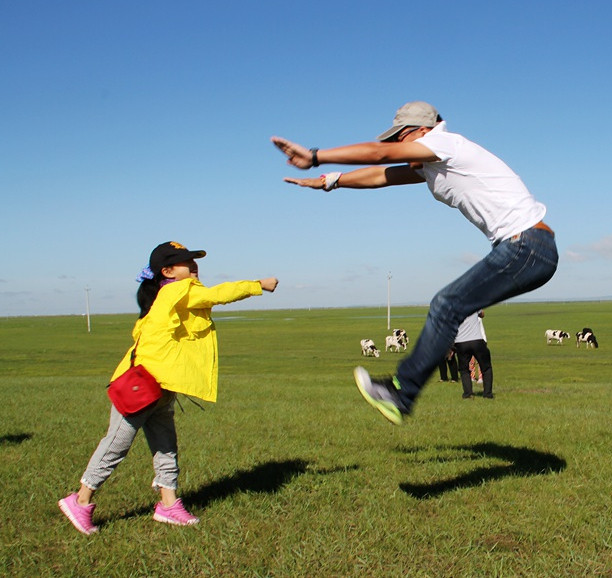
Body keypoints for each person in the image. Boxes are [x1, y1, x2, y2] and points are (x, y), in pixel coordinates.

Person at [272, 101, 557, 425]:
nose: (395, 145)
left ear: (422, 129)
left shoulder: (444, 143)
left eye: (400, 138)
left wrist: (314, 157)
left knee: (447, 305)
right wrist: (331, 180)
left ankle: (401, 393)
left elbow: (378, 155)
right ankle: (400, 392)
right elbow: (384, 174)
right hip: (526, 248)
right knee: (449, 306)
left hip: (527, 245)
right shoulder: (433, 160)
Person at [58, 241, 278, 534]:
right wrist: (257, 284)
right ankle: (80, 500)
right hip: (142, 387)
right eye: (188, 262)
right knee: (116, 445)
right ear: (168, 271)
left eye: (194, 260)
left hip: (161, 388)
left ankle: (168, 505)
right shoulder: (178, 289)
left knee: (165, 447)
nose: (194, 266)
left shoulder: (165, 296)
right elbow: (218, 294)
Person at [455, 310, 493, 399]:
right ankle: (487, 394)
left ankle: (468, 394)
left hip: (460, 342)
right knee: (486, 368)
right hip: (476, 340)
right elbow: (482, 314)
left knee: (464, 370)